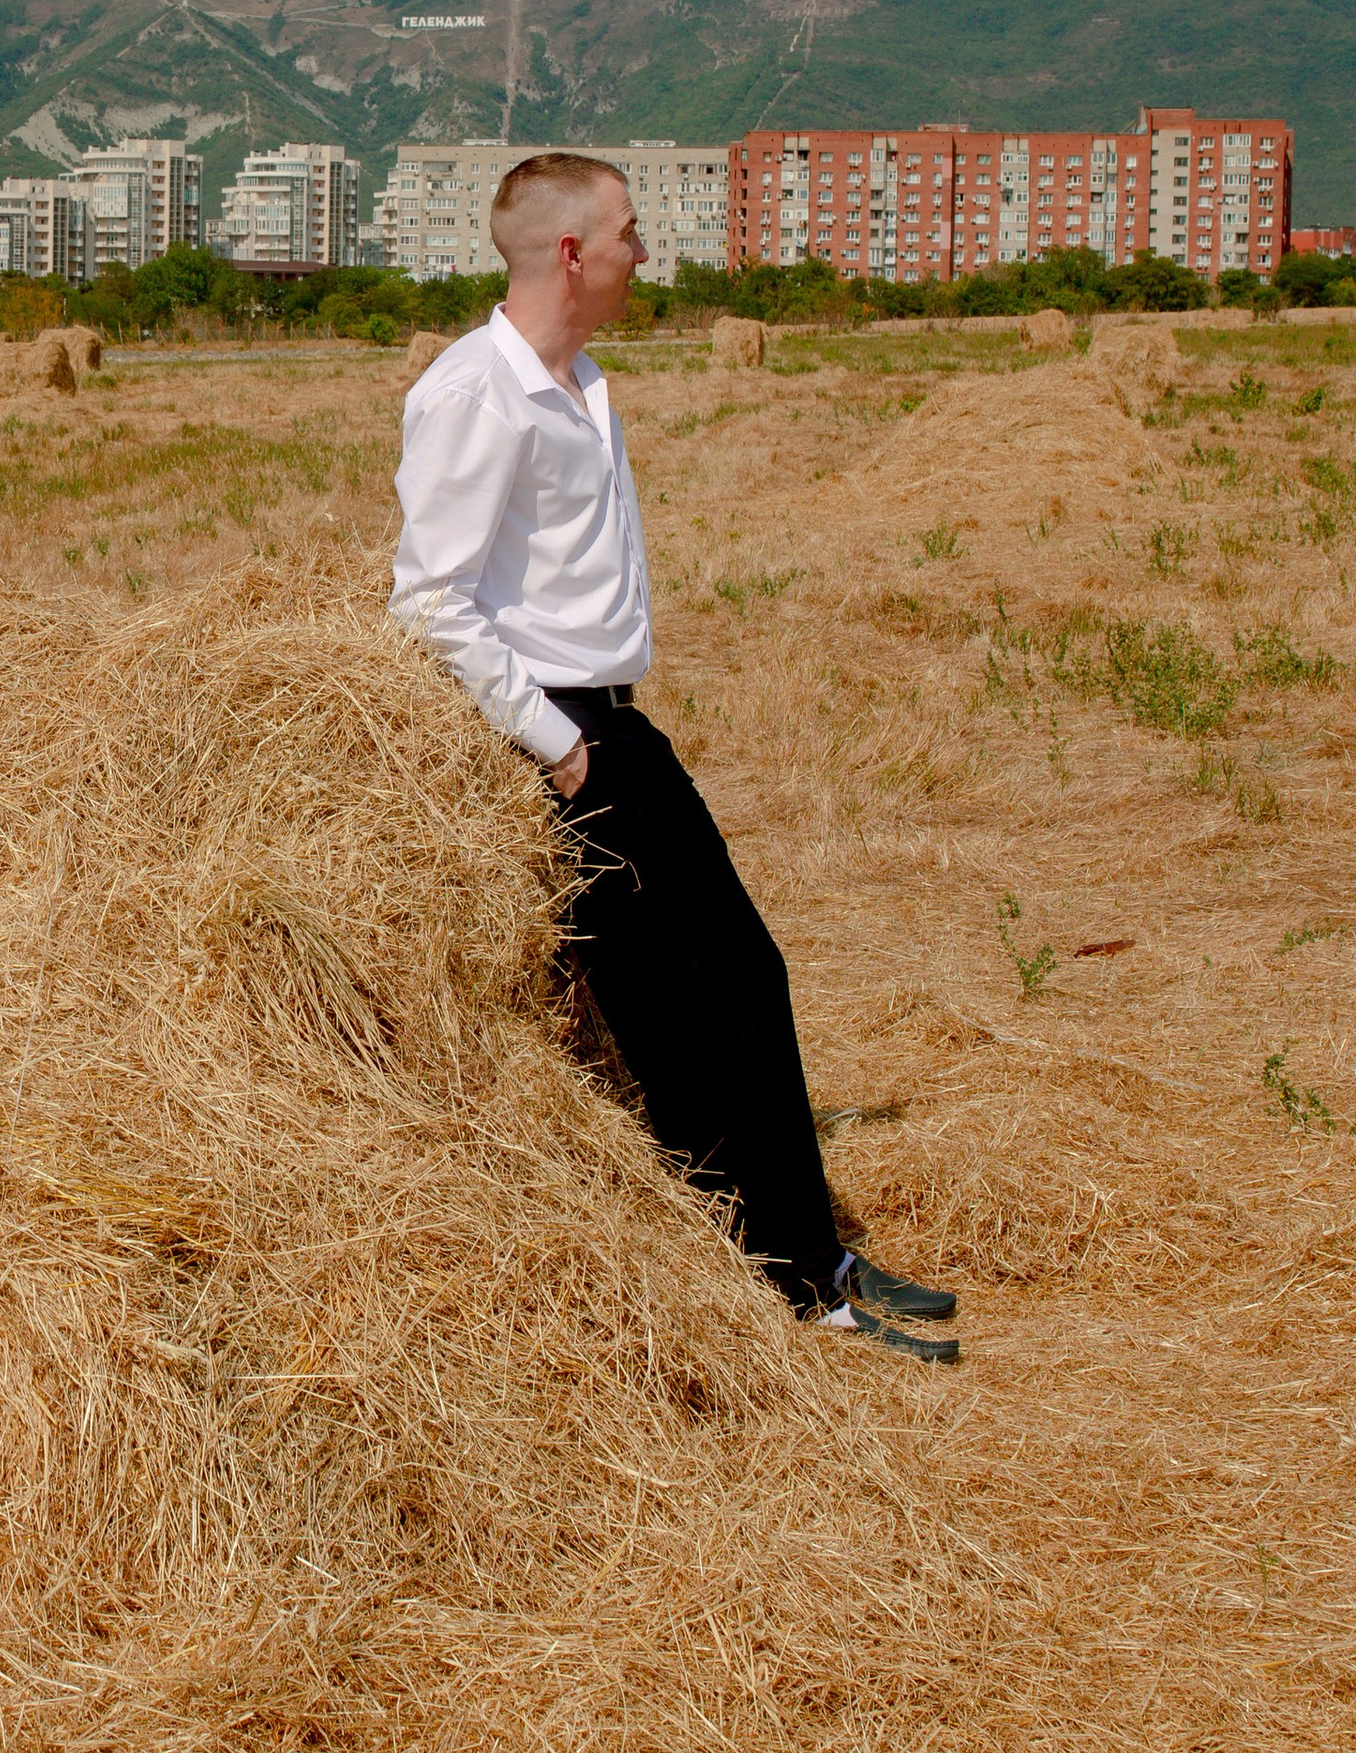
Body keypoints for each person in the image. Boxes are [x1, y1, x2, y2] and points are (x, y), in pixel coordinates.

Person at [390, 149, 959, 1365]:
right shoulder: (475, 393)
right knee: (678, 1009)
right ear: (570, 252)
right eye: (632, 232)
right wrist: (556, 752)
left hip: (612, 721)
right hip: (553, 736)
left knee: (740, 977)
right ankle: (793, 1285)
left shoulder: (581, 380)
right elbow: (428, 599)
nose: (647, 251)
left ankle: (809, 1259)